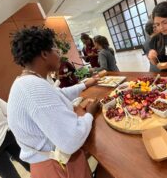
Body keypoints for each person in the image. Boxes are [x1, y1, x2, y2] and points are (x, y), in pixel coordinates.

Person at [8, 26, 100, 178]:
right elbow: (71, 140)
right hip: (57, 165)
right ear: (44, 54)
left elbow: (58, 95)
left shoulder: (27, 81)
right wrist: (90, 113)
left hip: (47, 162)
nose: (59, 54)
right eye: (56, 49)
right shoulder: (34, 87)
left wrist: (85, 84)